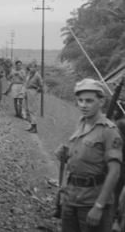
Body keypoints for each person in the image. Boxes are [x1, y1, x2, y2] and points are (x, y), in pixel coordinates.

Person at [56, 78, 122, 232]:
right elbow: (81, 158)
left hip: (92, 202)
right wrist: (64, 155)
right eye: (80, 100)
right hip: (71, 198)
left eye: (89, 101)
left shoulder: (109, 131)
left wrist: (99, 206)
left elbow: (115, 172)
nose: (83, 105)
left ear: (101, 101)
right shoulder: (81, 123)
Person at [24, 61, 43, 133]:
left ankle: (34, 127)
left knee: (32, 109)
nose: (31, 68)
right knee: (28, 109)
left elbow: (41, 85)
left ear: (35, 68)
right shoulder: (29, 74)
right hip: (27, 90)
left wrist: (37, 91)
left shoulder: (37, 75)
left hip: (32, 91)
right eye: (30, 67)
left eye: (32, 67)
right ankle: (31, 125)